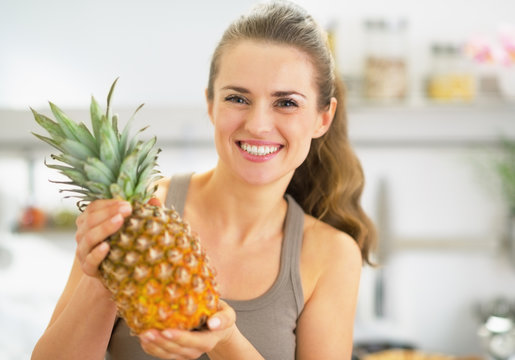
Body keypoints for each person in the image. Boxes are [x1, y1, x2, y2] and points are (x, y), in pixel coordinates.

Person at [31, 1, 375, 359]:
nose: (258, 124)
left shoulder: (332, 255)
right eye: (237, 98)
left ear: (323, 117)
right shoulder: (136, 213)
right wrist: (102, 275)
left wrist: (226, 340)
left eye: (286, 103)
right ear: (210, 104)